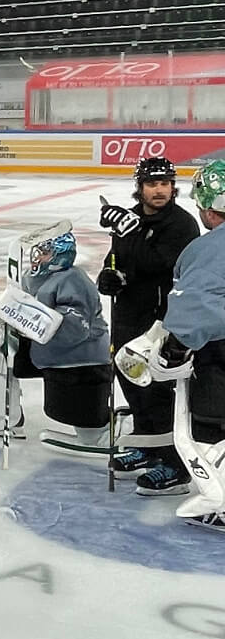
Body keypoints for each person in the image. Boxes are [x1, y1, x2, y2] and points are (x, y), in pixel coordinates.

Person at [97, 157, 200, 494]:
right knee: (130, 380)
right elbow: (117, 257)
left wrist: (133, 231)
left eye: (165, 183)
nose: (159, 190)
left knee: (158, 391)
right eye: (152, 184)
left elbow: (159, 263)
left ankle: (176, 465)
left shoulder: (182, 225)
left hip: (161, 322)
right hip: (128, 317)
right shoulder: (131, 220)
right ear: (139, 187)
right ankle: (147, 445)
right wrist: (109, 275)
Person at [0, 224, 114, 452]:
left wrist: (28, 320)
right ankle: (2, 415)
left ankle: (96, 435)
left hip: (79, 358)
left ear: (61, 254)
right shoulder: (31, 278)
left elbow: (76, 329)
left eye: (45, 252)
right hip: (45, 350)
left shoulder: (73, 280)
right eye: (37, 252)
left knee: (72, 407)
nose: (37, 257)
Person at [144, 160, 225, 529]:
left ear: (209, 208)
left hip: (218, 355)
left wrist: (175, 348)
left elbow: (195, 306)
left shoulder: (207, 249)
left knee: (208, 428)